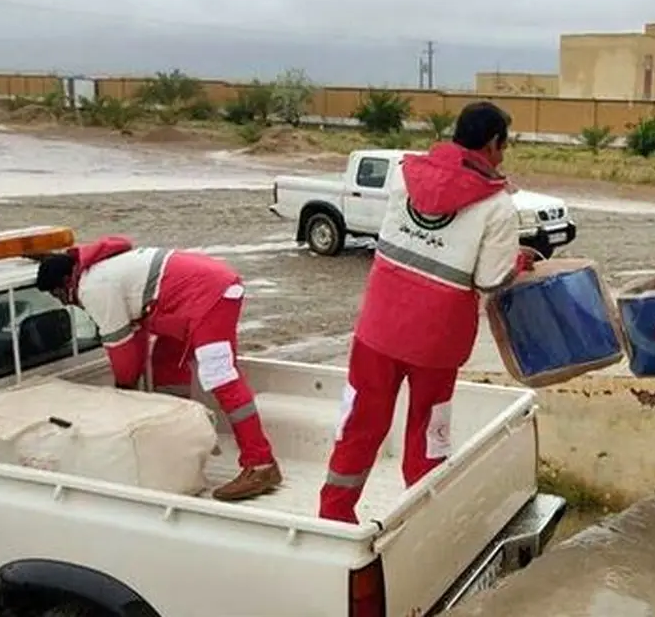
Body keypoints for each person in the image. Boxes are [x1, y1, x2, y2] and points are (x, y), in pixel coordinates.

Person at [319, 101, 534, 523]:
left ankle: (334, 516)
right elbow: (491, 281)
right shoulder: (497, 208)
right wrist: (517, 263)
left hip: (377, 328)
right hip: (436, 341)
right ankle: (421, 523)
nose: (504, 154)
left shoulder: (405, 174)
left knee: (361, 421)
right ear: (493, 143)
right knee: (427, 431)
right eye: (504, 145)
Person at [34, 236, 281, 501]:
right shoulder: (103, 268)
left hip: (207, 295)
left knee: (221, 375)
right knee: (166, 363)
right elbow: (135, 336)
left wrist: (124, 390)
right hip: (193, 295)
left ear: (64, 283)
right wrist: (129, 381)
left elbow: (121, 346)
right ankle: (176, 442)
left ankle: (261, 464)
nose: (62, 303)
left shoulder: (93, 287)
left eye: (56, 295)